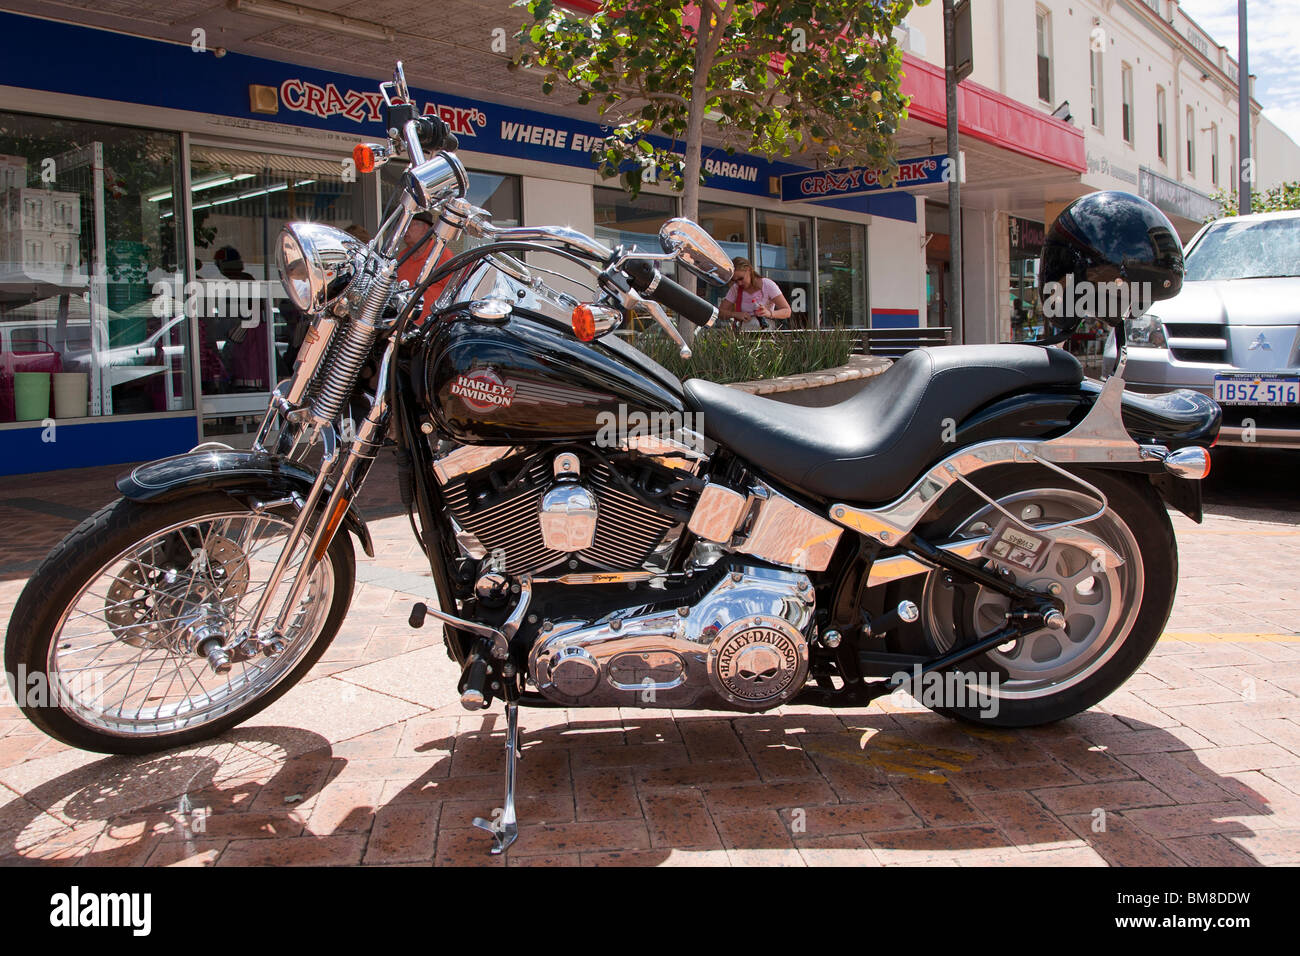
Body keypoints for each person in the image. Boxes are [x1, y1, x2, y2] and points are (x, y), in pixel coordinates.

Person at [396, 211, 454, 323]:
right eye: (404, 225)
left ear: (426, 229)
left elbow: (454, 294)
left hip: (432, 328)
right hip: (405, 328)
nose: (405, 229)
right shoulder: (402, 256)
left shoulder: (442, 255)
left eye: (410, 225)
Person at [719, 257, 792, 330]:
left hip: (765, 331)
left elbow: (787, 311)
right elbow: (720, 313)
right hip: (745, 331)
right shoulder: (736, 288)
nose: (739, 283)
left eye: (741, 278)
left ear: (749, 270)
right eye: (735, 281)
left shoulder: (767, 285)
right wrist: (735, 314)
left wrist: (769, 313)